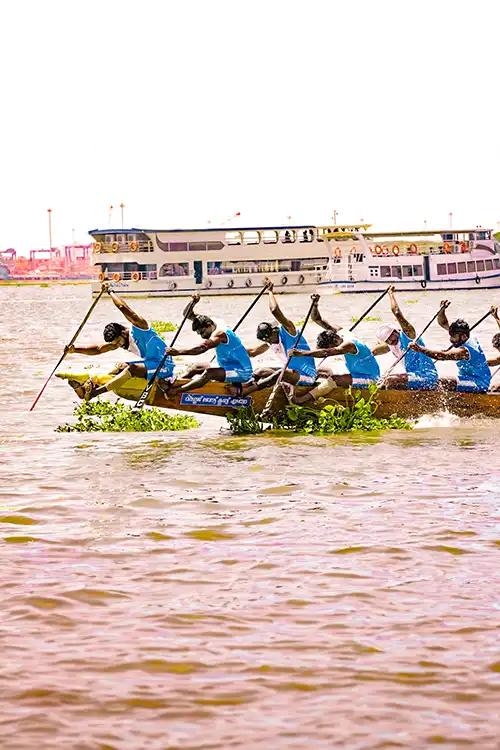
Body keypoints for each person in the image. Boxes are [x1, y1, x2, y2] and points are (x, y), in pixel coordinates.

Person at [66, 282, 175, 401]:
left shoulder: (140, 327)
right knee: (119, 366)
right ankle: (92, 385)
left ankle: (96, 393)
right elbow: (98, 349)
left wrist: (110, 291)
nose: (119, 346)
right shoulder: (120, 341)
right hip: (151, 364)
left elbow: (123, 308)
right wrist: (74, 349)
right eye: (115, 344)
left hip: (164, 365)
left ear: (123, 333)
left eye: (118, 342)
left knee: (131, 368)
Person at [287, 297, 380, 404]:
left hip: (371, 378)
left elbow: (327, 352)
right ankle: (311, 389)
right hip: (358, 373)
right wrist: (315, 304)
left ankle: (302, 399)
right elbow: (317, 319)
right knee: (321, 371)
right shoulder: (339, 332)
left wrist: (302, 353)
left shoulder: (349, 344)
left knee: (335, 379)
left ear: (335, 341)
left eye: (329, 346)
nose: (329, 349)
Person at [164, 294, 253, 393]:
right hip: (226, 366)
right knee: (195, 367)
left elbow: (202, 348)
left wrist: (178, 352)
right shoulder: (210, 321)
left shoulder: (220, 334)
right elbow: (187, 315)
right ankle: (174, 383)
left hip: (242, 372)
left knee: (210, 373)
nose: (201, 336)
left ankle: (178, 391)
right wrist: (193, 302)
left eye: (202, 332)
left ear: (209, 326)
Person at [240, 284, 317, 396]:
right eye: (267, 341)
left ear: (275, 331)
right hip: (289, 374)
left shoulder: (290, 331)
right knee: (259, 371)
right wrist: (231, 347)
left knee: (281, 373)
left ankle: (248, 391)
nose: (270, 343)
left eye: (270, 339)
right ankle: (243, 387)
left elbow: (275, 310)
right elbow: (252, 352)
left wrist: (270, 291)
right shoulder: (271, 340)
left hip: (306, 376)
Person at [408, 308, 491, 393]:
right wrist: (442, 310)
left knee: (445, 382)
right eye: (451, 335)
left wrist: (420, 349)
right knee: (441, 380)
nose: (451, 339)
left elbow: (442, 356)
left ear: (463, 336)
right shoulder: (466, 336)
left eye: (453, 337)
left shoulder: (465, 351)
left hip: (479, 383)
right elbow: (443, 323)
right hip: (466, 378)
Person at [373, 286, 438, 390]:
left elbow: (398, 314)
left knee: (390, 380)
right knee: (382, 380)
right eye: (387, 340)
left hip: (426, 376)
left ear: (396, 330)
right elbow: (372, 352)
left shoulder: (409, 335)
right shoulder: (390, 344)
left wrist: (390, 294)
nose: (391, 341)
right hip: (412, 376)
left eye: (391, 337)